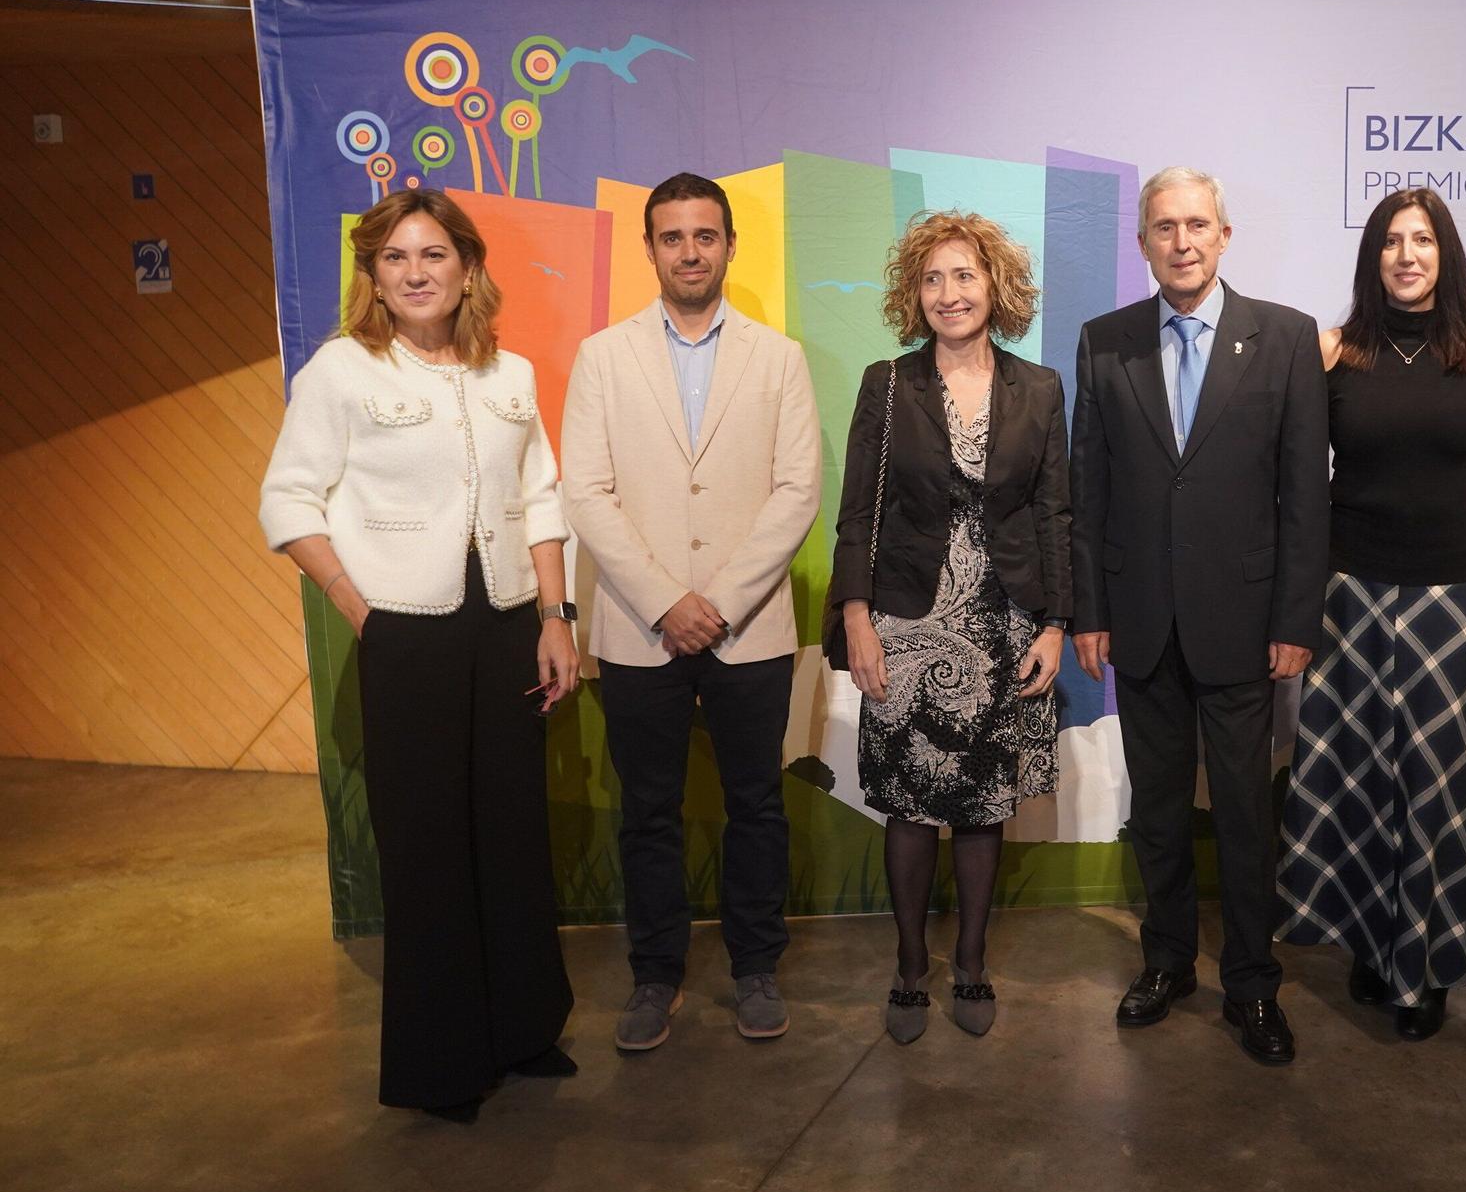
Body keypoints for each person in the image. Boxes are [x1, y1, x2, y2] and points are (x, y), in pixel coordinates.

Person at [259, 188, 579, 1122]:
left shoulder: (509, 373)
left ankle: (524, 1029)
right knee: (428, 847)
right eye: (395, 258)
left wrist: (556, 617)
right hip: (408, 632)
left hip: (510, 624)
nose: (415, 272)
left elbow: (544, 497)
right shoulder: (340, 373)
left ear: (467, 268)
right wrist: (366, 613)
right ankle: (441, 1064)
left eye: (432, 254)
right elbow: (288, 503)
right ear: (375, 276)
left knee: (513, 832)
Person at [1069, 168, 1327, 1065]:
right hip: (1138, 619)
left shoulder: (1286, 338)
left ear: (1225, 235)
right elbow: (1089, 484)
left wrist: (1297, 617)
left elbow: (1305, 495)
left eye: (1197, 225)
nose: (1182, 241)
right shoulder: (1104, 342)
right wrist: (1088, 610)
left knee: (1250, 816)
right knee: (1161, 810)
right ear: (1142, 243)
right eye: (1164, 227)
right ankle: (1169, 960)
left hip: (1249, 624)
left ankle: (1253, 985)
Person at [562, 173, 820, 1050]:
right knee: (649, 809)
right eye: (671, 237)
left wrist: (719, 600)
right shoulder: (603, 356)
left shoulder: (778, 357)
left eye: (704, 235)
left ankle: (755, 967)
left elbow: (798, 491)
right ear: (648, 248)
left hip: (750, 630)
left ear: (730, 244)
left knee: (757, 804)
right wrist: (668, 600)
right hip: (641, 629)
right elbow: (587, 494)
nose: (689, 252)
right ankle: (655, 975)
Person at [1274, 188, 1466, 1043]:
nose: (1406, 255)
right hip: (1351, 594)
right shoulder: (1334, 352)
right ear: (1372, 258)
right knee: (1362, 779)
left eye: (1422, 240)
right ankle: (1374, 943)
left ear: (1444, 255)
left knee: (1437, 788)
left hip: (1452, 598)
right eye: (1391, 242)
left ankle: (1427, 962)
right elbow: (1302, 488)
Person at [829, 210, 1070, 1043]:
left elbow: (1054, 513)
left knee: (979, 805)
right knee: (908, 805)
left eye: (964, 275)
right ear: (913, 293)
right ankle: (908, 966)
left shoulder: (1038, 388)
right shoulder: (886, 384)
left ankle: (971, 961)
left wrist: (1055, 624)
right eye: (932, 278)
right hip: (904, 617)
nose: (948, 293)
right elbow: (856, 512)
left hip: (1004, 625)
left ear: (994, 286)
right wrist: (855, 616)